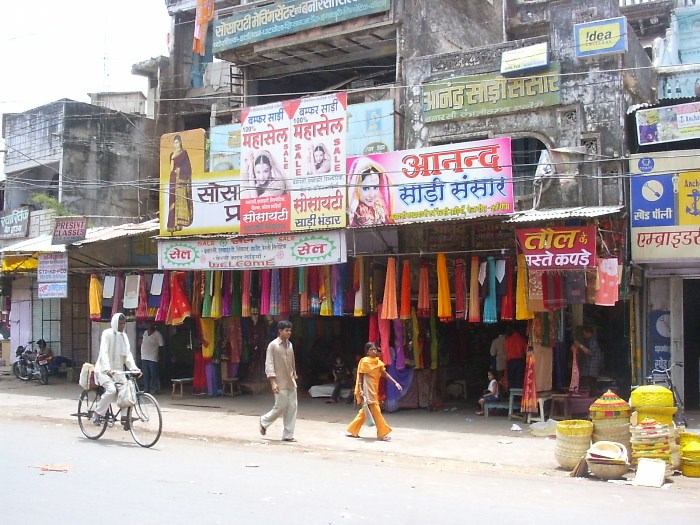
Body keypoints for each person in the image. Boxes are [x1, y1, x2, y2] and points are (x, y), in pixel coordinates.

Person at [346, 342, 403, 441]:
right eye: (371, 350)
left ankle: (353, 430)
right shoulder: (365, 362)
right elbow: (360, 377)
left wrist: (395, 383)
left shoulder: (378, 362)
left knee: (364, 412)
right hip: (367, 391)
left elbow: (385, 374)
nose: (374, 351)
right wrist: (361, 390)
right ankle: (382, 433)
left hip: (374, 389)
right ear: (367, 352)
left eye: (375, 349)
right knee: (376, 411)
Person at [92, 313, 141, 427]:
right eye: (120, 323)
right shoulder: (107, 334)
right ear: (115, 323)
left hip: (118, 372)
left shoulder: (124, 337)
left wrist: (134, 368)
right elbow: (103, 352)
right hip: (104, 370)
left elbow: (127, 356)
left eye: (124, 323)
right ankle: (98, 412)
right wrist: (107, 369)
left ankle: (125, 417)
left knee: (127, 391)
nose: (122, 326)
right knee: (111, 390)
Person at [259, 320, 298, 442]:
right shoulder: (273, 345)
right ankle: (264, 421)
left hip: (291, 381)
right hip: (279, 381)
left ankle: (288, 435)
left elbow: (292, 363)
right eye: (286, 330)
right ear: (280, 331)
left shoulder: (290, 345)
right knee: (280, 406)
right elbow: (269, 364)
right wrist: (273, 382)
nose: (289, 333)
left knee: (292, 407)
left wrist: (295, 375)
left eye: (290, 330)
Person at [348, 159, 391, 227]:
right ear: (356, 189)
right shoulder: (352, 214)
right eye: (366, 188)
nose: (372, 194)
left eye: (375, 188)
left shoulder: (381, 208)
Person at [166, 134, 194, 233]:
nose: (176, 144)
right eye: (174, 143)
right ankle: (172, 224)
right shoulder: (171, 154)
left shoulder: (184, 153)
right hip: (173, 179)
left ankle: (180, 223)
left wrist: (180, 171)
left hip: (181, 180)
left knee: (180, 200)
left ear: (180, 143)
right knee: (172, 200)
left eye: (177, 142)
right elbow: (171, 168)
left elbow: (188, 168)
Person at [571, 325, 602, 395]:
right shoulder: (586, 341)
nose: (583, 335)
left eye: (584, 334)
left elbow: (590, 352)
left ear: (588, 333)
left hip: (591, 370)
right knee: (586, 386)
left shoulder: (593, 341)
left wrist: (580, 346)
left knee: (590, 387)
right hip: (587, 369)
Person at [140, 321, 165, 395]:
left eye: (151, 324)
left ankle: (155, 389)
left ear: (154, 325)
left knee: (154, 374)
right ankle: (146, 389)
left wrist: (160, 356)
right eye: (148, 324)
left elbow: (161, 346)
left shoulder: (157, 334)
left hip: (153, 357)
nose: (149, 325)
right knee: (146, 374)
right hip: (144, 357)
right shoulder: (145, 332)